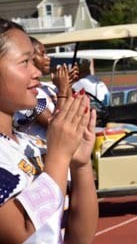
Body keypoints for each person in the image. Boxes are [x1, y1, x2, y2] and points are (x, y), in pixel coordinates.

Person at [0, 18, 98, 243]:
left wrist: (80, 164)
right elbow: (21, 233)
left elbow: (78, 238)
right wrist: (60, 155)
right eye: (25, 62)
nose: (37, 70)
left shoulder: (29, 143)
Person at [13, 37, 78, 139]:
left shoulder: (48, 86)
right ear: (30, 59)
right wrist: (62, 90)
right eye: (42, 54)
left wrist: (67, 85)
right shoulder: (26, 92)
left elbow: (71, 115)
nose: (48, 58)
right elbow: (54, 126)